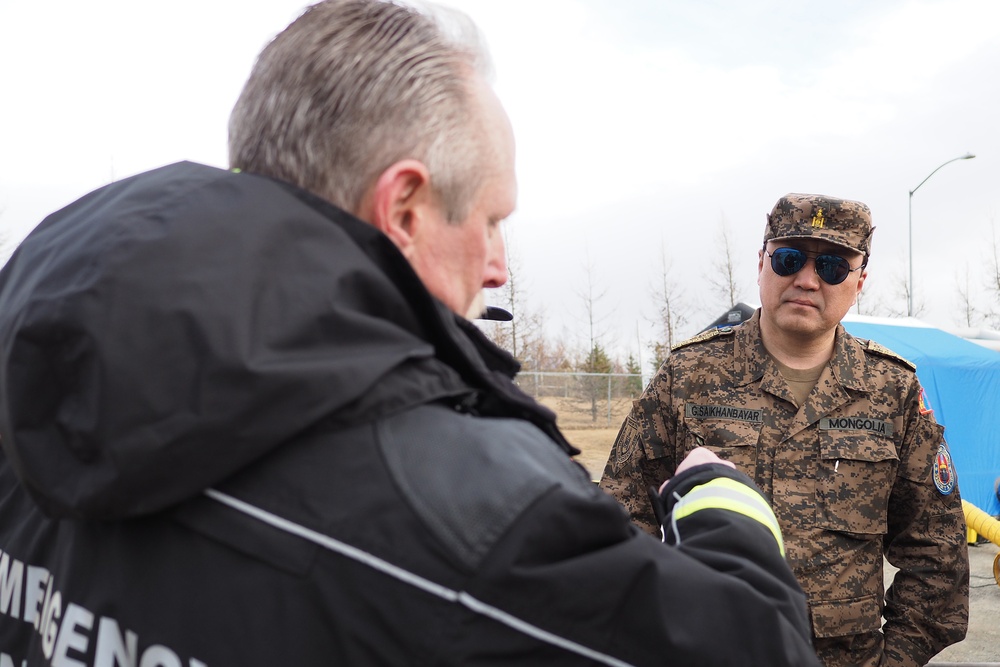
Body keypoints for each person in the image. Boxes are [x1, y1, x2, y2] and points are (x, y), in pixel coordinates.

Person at [0, 2, 821, 665]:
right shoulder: (472, 505)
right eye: (492, 219)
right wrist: (727, 507)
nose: (499, 267)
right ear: (403, 208)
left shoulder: (29, 377)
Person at [601, 193, 970, 667]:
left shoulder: (892, 390)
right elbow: (620, 519)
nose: (807, 280)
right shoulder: (687, 377)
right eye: (789, 258)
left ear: (860, 280)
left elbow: (938, 555)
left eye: (833, 266)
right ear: (762, 263)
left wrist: (892, 660)